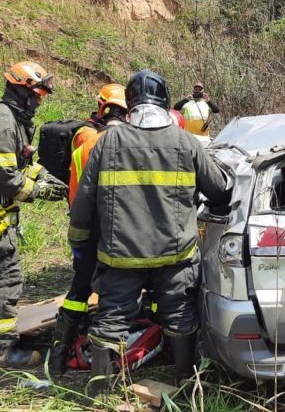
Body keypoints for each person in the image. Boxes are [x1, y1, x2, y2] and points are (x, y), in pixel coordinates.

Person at [70, 69, 231, 392]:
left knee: (111, 318)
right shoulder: (184, 142)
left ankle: (100, 388)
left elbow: (84, 200)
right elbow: (219, 189)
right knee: (180, 315)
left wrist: (80, 242)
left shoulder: (109, 141)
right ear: (167, 101)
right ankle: (185, 381)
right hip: (176, 254)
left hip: (121, 255)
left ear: (130, 103)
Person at [0, 61, 68, 367]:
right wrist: (36, 191)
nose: (40, 101)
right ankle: (2, 348)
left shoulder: (10, 118)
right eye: (39, 94)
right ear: (22, 90)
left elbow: (18, 162)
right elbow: (2, 177)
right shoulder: (2, 123)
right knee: (4, 275)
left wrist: (44, 175)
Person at [47, 84, 128, 375]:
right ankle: (101, 362)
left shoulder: (84, 140)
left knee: (79, 288)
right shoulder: (115, 144)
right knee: (111, 289)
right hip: (110, 227)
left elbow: (77, 190)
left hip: (83, 224)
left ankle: (58, 356)